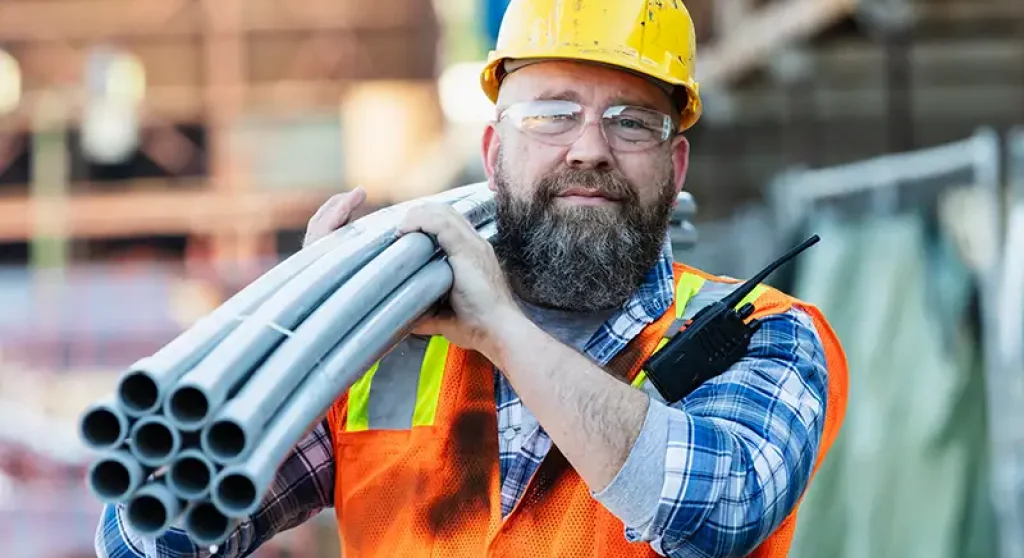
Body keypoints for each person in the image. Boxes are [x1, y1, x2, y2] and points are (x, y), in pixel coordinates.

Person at [96, 0, 849, 556]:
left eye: (631, 120)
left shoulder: (763, 332)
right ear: (492, 152)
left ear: (675, 164)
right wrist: (304, 340)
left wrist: (500, 331)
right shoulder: (386, 337)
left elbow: (715, 511)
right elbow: (155, 540)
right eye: (551, 114)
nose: (589, 148)